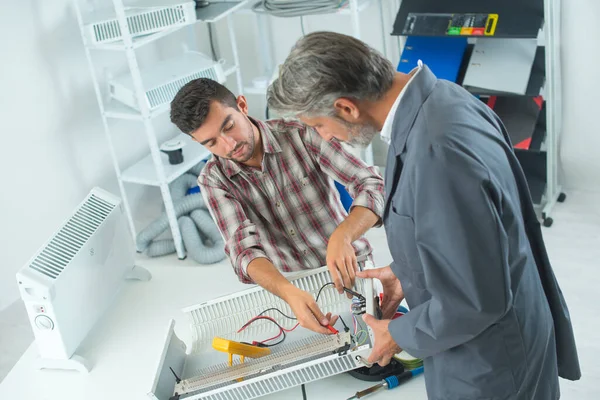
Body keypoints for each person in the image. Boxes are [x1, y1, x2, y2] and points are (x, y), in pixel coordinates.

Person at [267, 31, 581, 399]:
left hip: (490, 364)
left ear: (346, 107)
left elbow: (477, 299)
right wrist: (407, 273)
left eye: (318, 126)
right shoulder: (443, 98)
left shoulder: (435, 152)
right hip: (502, 336)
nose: (328, 138)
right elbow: (480, 234)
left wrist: (396, 334)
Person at [170, 78, 385, 334]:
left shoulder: (302, 134)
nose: (229, 145)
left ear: (242, 105)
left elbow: (372, 184)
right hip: (291, 289)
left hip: (352, 268)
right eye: (211, 142)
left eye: (229, 126)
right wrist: (288, 292)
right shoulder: (213, 180)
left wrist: (344, 235)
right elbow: (243, 251)